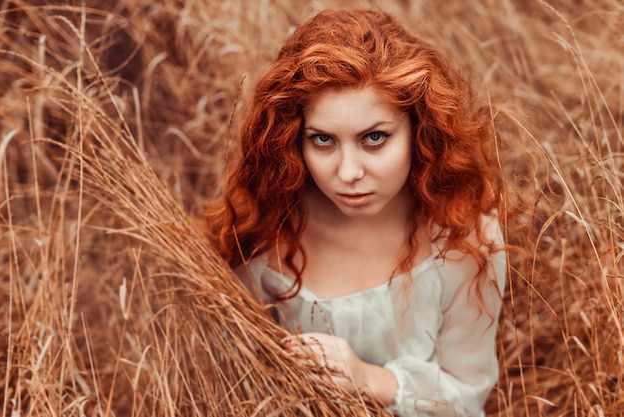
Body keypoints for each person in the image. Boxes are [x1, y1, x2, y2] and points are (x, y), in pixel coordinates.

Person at [205, 8, 507, 417]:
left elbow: (466, 397)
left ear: (420, 130)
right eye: (323, 140)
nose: (348, 173)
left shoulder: (464, 238)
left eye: (375, 138)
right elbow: (222, 378)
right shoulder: (263, 223)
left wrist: (366, 379)